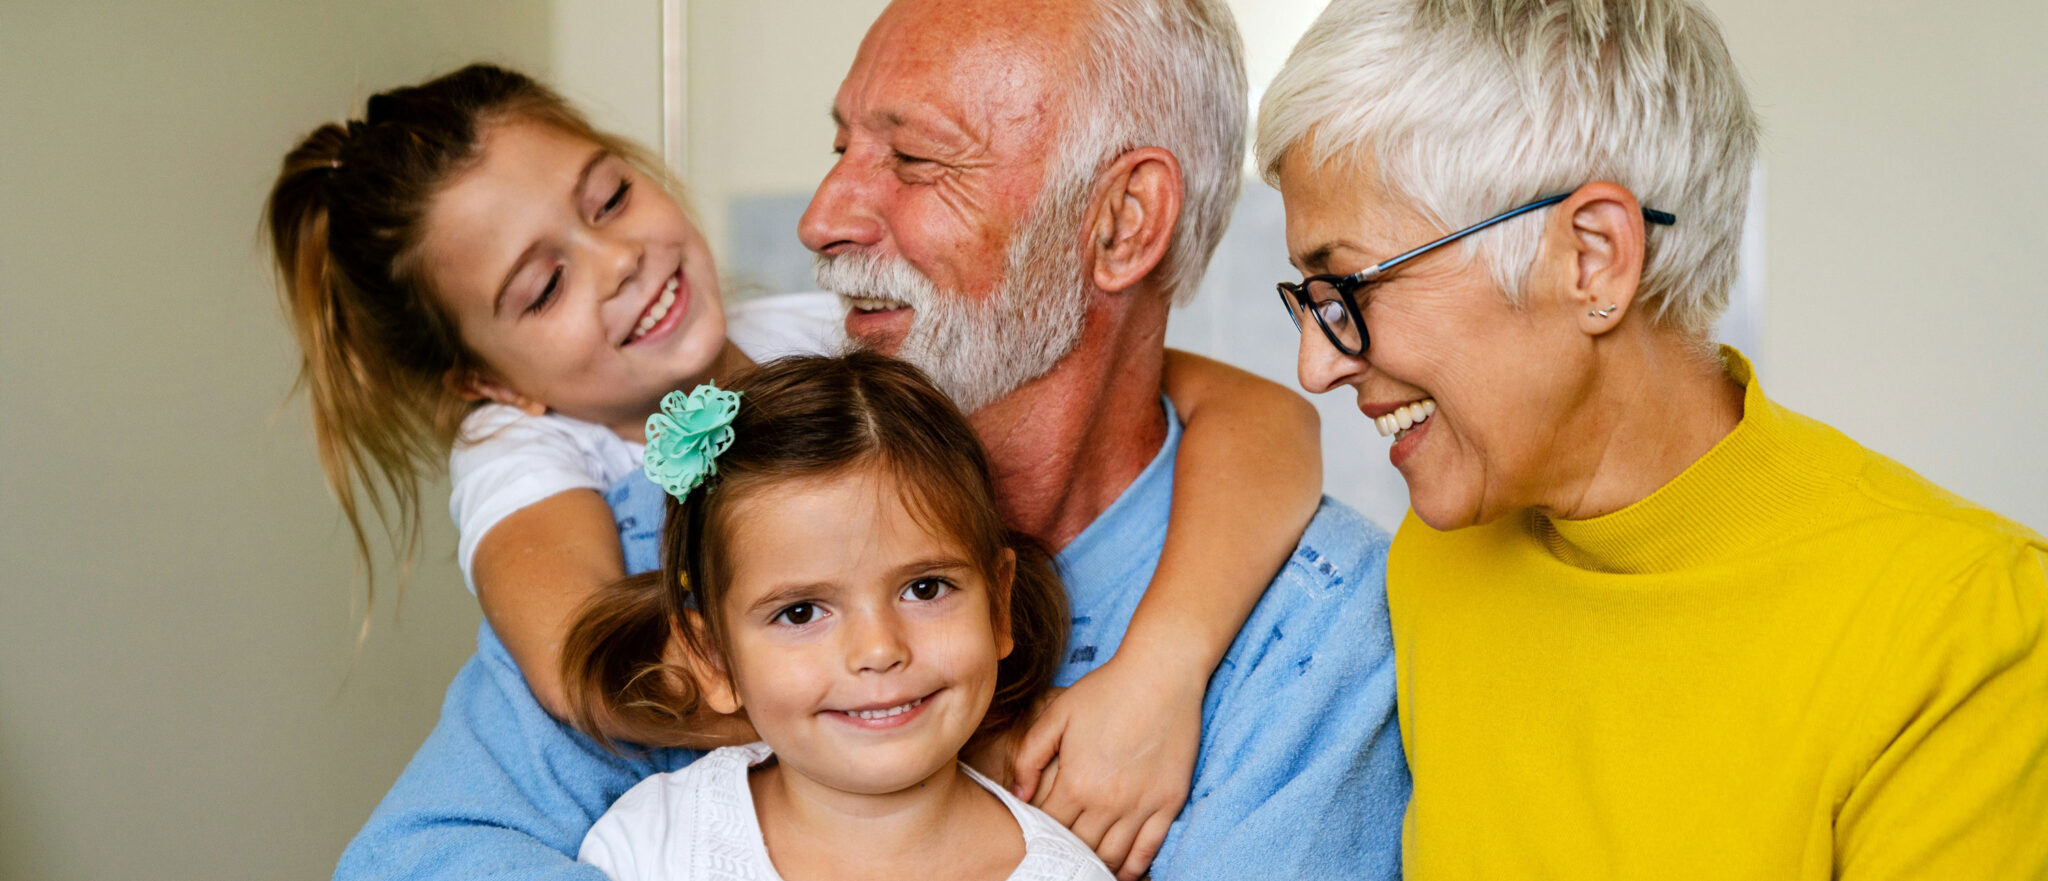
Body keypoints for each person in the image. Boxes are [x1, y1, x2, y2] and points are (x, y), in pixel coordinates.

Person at [335, 1, 1409, 879]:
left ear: (1122, 223)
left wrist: (1161, 665)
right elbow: (418, 859)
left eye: (912, 159)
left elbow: (1258, 410)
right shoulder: (666, 526)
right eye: (839, 145)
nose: (820, 216)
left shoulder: (1313, 640)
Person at [264, 61, 1324, 755]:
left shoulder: (815, 331)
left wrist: (1158, 671)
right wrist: (925, 732)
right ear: (490, 381)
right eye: (541, 287)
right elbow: (589, 662)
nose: (620, 261)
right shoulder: (527, 447)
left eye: (609, 198)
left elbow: (1264, 420)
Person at [1256, 0, 2048, 877]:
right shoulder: (1435, 560)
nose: (1315, 367)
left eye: (1347, 289)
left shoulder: (1967, 626)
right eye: (1310, 297)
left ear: (1593, 258)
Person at [565, 353, 1111, 880]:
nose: (878, 649)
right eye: (800, 612)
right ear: (713, 659)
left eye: (925, 588)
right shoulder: (649, 845)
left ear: (997, 605)